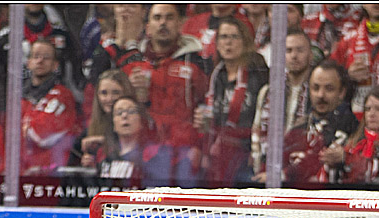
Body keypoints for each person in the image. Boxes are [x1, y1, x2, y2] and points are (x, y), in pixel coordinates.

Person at [119, 3, 210, 187]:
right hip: (141, 153)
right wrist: (133, 93)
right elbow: (111, 107)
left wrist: (201, 147)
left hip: (185, 156)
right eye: (157, 18)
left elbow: (207, 108)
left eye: (169, 18)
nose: (163, 23)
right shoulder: (131, 62)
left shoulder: (198, 63)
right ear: (148, 27)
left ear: (180, 24)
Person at [195, 17, 268, 185]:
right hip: (220, 154)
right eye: (224, 37)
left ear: (245, 41)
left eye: (234, 37)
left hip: (248, 155)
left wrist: (259, 154)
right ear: (217, 43)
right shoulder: (216, 76)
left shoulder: (258, 72)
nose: (228, 43)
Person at [250, 28, 313, 181]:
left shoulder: (318, 90)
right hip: (266, 171)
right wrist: (259, 167)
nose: (294, 56)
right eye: (289, 50)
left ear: (311, 55)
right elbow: (257, 132)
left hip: (302, 173)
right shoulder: (268, 91)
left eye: (300, 50)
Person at [283, 60, 359, 184]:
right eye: (315, 88)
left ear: (342, 92)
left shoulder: (353, 128)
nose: (321, 95)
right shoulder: (300, 126)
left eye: (329, 89)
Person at [21, 38, 80, 173]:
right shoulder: (19, 97)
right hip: (22, 172)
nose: (40, 61)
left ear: (55, 65)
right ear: (28, 62)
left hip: (50, 174)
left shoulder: (63, 95)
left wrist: (27, 125)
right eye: (36, 56)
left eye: (46, 57)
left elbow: (42, 135)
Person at [89, 95, 174, 186]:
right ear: (113, 123)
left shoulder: (155, 153)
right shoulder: (103, 154)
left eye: (131, 111)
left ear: (141, 121)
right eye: (119, 112)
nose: (125, 116)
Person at [68, 68, 133, 168]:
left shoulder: (137, 122)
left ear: (126, 93)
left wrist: (104, 141)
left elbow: (135, 148)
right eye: (104, 93)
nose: (109, 98)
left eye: (116, 93)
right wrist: (87, 164)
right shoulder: (90, 129)